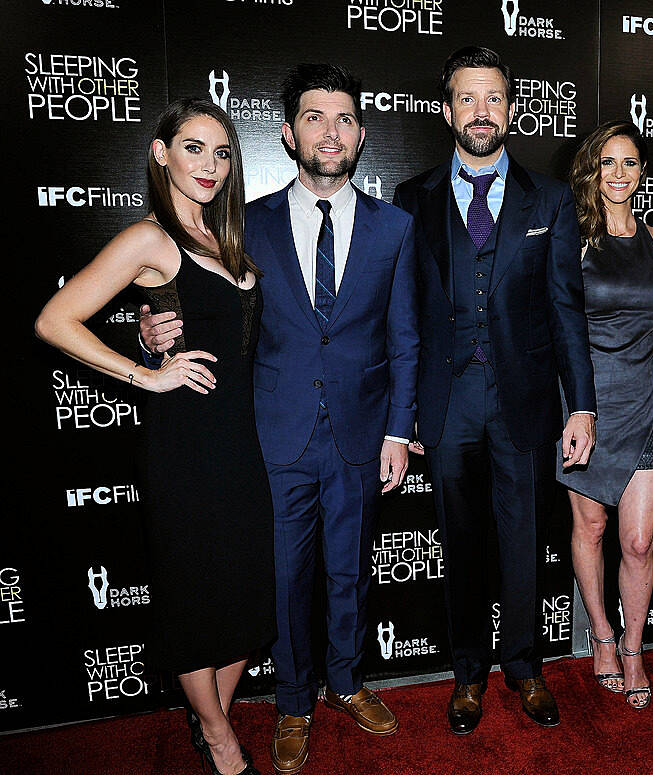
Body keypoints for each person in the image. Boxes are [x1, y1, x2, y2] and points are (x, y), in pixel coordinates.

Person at [140, 65, 418, 775]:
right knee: (286, 577)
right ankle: (294, 702)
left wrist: (397, 429)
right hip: (271, 434)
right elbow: (196, 300)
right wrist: (152, 331)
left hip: (361, 433)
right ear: (289, 134)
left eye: (347, 118)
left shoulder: (395, 228)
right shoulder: (244, 223)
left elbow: (406, 337)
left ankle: (347, 681)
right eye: (316, 117)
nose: (333, 130)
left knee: (351, 571)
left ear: (361, 134)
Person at [36, 98, 272, 775]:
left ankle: (212, 717)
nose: (211, 164)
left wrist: (156, 324)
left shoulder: (225, 238)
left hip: (242, 447)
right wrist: (143, 375)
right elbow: (56, 319)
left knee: (245, 599)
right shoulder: (149, 238)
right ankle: (221, 739)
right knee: (197, 602)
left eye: (223, 152)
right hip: (186, 450)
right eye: (193, 147)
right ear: (160, 153)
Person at [392, 46, 596, 734]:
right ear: (447, 108)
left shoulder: (552, 197)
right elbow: (405, 314)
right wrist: (407, 409)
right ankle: (469, 672)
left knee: (521, 540)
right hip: (446, 405)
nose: (482, 112)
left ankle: (527, 667)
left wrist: (583, 403)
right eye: (467, 98)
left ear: (511, 108)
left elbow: (567, 308)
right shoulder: (412, 198)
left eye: (495, 98)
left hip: (525, 400)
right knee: (461, 542)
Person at [558, 121, 653, 710]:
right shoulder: (572, 238)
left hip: (647, 399)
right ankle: (601, 634)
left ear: (642, 171)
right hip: (586, 404)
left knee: (638, 538)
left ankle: (634, 646)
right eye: (608, 162)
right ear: (592, 171)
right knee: (593, 528)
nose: (620, 174)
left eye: (630, 163)